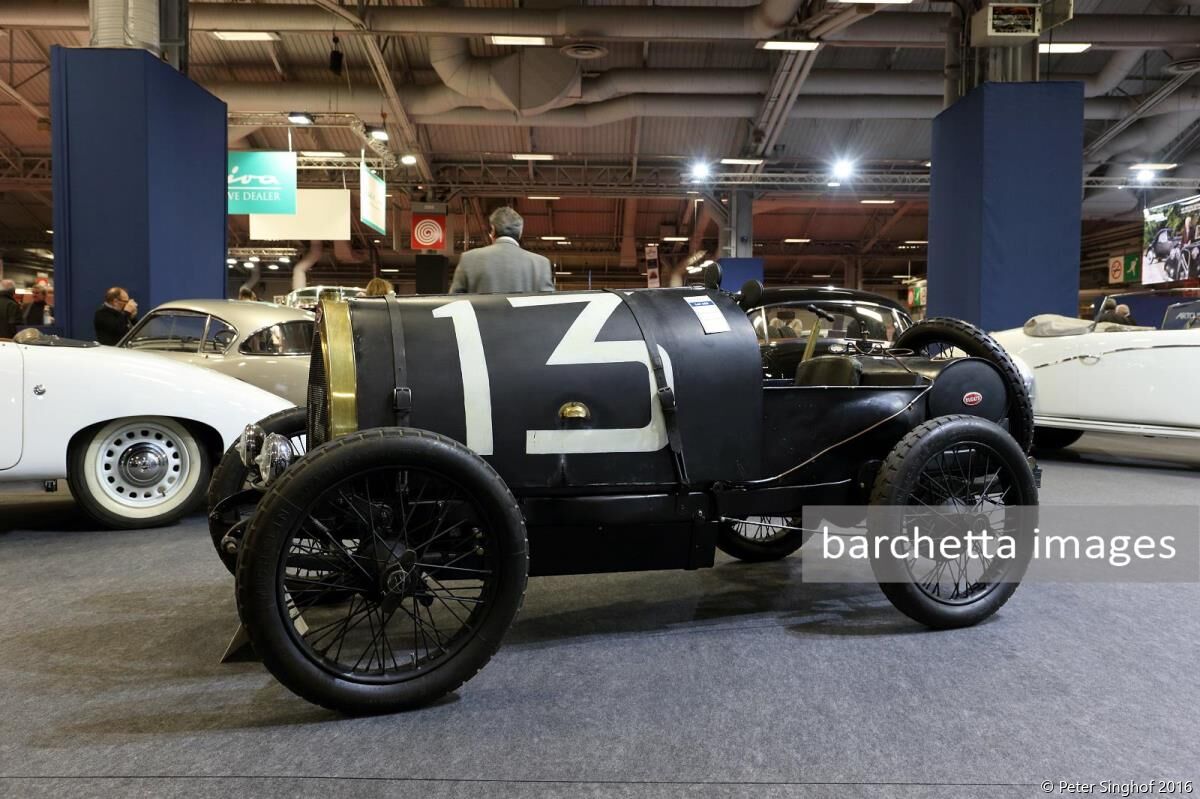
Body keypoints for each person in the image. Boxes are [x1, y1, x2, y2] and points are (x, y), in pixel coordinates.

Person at [449, 206, 554, 294]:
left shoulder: (469, 259)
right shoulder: (540, 264)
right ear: (520, 233)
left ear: (493, 230)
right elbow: (550, 308)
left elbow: (453, 303)